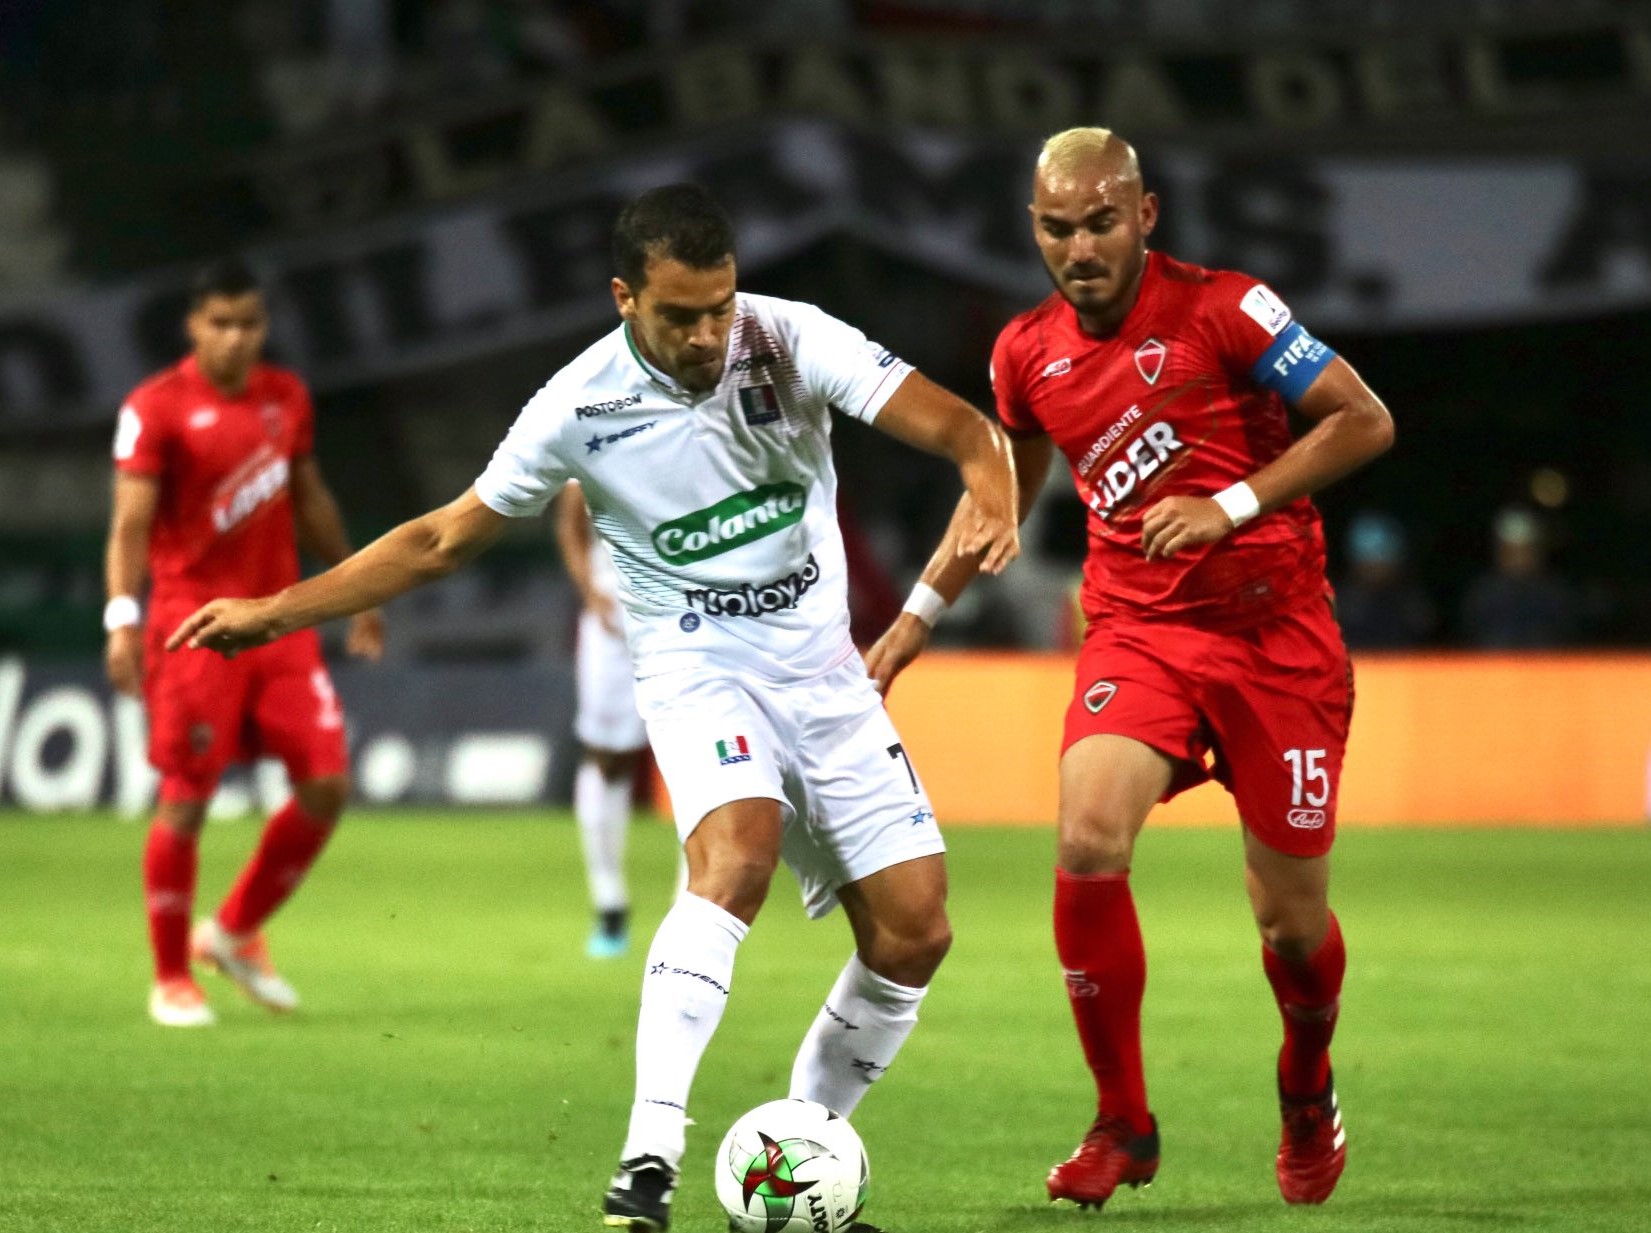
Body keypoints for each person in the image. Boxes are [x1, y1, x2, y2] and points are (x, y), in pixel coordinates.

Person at [165, 183, 1018, 1232]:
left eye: (720, 307)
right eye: (679, 315)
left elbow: (962, 428)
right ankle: (646, 1160)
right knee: (737, 857)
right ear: (624, 298)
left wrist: (992, 485)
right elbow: (441, 539)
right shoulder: (578, 404)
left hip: (824, 676)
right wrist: (275, 611)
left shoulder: (790, 339)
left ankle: (794, 1159)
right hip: (696, 668)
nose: (708, 335)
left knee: (914, 935)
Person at [867, 128, 1394, 1210]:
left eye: (1101, 222)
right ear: (1033, 230)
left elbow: (1364, 420)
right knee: (1087, 837)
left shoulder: (1228, 309)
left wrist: (1228, 503)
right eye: (1058, 229)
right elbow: (1000, 493)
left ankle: (1305, 1081)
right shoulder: (1024, 354)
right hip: (1138, 632)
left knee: (1290, 926)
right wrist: (917, 616)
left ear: (1144, 216)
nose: (1080, 248)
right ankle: (1122, 1122)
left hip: (1275, 638)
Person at [105, 259, 385, 1029]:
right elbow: (129, 525)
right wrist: (121, 618)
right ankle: (170, 977)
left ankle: (229, 933)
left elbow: (308, 496)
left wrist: (356, 584)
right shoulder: (156, 407)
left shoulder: (284, 396)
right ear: (194, 325)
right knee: (188, 797)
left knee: (326, 785)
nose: (235, 337)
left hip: (276, 618)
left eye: (249, 323)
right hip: (193, 626)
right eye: (221, 323)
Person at [554, 480, 651, 958]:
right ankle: (609, 901)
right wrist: (590, 590)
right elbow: (570, 524)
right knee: (609, 758)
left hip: (686, 614)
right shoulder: (588, 452)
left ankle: (695, 906)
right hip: (614, 622)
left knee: (697, 755)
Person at [1459, 504, 1580, 648]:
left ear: (1537, 551)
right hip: (1494, 660)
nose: (1518, 558)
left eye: (1525, 550)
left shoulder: (1556, 593)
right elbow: (1471, 634)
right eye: (1511, 551)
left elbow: (1568, 635)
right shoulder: (1483, 593)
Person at [1333, 510, 1435, 650]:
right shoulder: (1339, 606)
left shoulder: (1413, 605)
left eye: (1382, 560)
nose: (1375, 568)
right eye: (1368, 561)